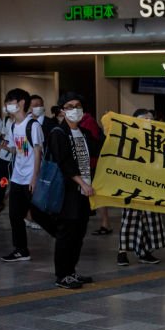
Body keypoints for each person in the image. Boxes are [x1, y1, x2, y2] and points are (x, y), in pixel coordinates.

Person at [0, 88, 56, 263]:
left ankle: (63, 235)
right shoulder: (14, 125)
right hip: (17, 177)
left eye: (11, 102)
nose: (8, 106)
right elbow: (22, 150)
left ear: (22, 103)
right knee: (15, 215)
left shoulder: (33, 125)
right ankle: (21, 249)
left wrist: (34, 178)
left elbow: (38, 152)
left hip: (31, 178)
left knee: (39, 214)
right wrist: (7, 148)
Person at [49, 93, 96, 289]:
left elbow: (99, 149)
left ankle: (71, 271)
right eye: (69, 106)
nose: (74, 109)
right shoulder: (58, 133)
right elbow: (64, 162)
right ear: (62, 110)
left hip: (85, 191)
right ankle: (62, 275)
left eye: (78, 105)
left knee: (79, 233)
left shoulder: (85, 133)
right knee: (67, 233)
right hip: (69, 191)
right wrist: (82, 183)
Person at [117, 109, 165, 266]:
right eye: (144, 119)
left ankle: (144, 251)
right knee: (130, 219)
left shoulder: (155, 139)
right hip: (131, 185)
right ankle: (122, 252)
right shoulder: (127, 139)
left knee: (149, 219)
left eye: (150, 119)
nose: (148, 122)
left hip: (150, 185)